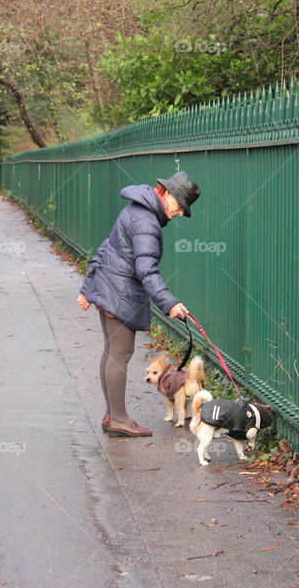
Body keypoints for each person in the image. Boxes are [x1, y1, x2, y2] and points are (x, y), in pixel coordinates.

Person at [77, 171, 201, 437]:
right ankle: (119, 419)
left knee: (111, 353)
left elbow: (106, 247)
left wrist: (88, 288)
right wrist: (169, 303)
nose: (179, 213)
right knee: (120, 355)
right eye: (180, 207)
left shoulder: (136, 209)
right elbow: (147, 269)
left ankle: (113, 415)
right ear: (166, 193)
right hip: (119, 293)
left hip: (108, 287)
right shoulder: (147, 222)